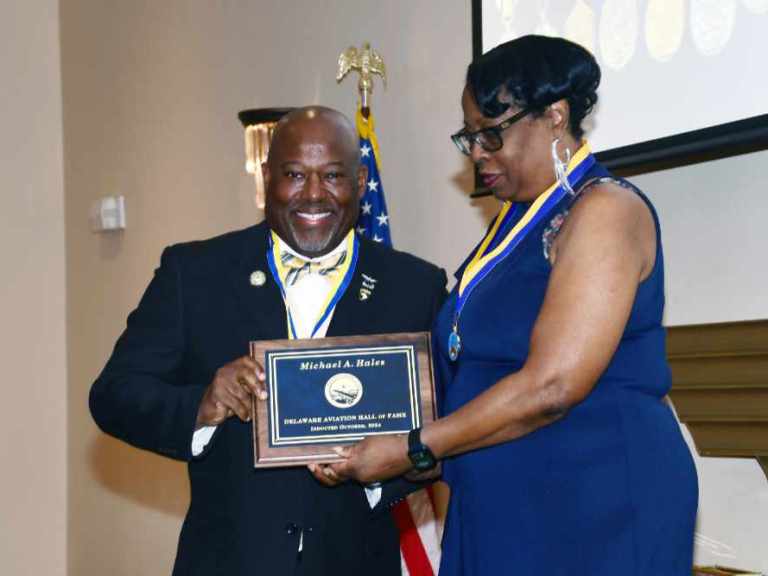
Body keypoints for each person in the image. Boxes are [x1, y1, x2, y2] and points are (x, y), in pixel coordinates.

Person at [322, 35, 699, 575]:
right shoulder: (516, 221)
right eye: (469, 137)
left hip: (597, 499)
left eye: (491, 134)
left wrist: (413, 447)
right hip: (506, 503)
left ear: (554, 116)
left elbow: (552, 386)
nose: (477, 153)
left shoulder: (606, 210)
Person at [89, 106, 447, 575]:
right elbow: (114, 395)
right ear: (266, 177)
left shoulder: (414, 286)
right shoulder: (195, 274)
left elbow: (447, 429)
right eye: (294, 175)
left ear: (361, 182)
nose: (314, 194)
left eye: (333, 175)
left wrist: (387, 469)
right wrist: (204, 404)